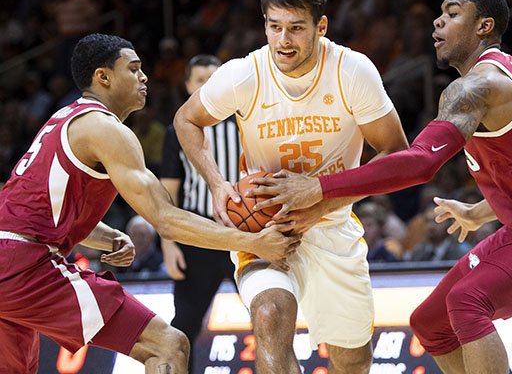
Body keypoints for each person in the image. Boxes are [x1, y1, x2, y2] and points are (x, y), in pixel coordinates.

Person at [247, 0, 512, 373]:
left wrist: (318, 187)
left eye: (452, 14)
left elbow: (418, 163)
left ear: (484, 26)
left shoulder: (477, 87)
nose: (438, 21)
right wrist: (484, 210)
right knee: (430, 323)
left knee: (469, 301)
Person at [0, 33, 299, 374]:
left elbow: (35, 212)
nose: (144, 77)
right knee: (168, 344)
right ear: (103, 77)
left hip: (11, 254)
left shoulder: (63, 119)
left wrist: (108, 237)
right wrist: (253, 242)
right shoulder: (104, 128)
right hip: (24, 266)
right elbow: (166, 219)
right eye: (134, 68)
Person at [174, 0, 408, 372]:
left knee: (352, 359)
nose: (283, 40)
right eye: (274, 26)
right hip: (264, 227)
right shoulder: (245, 74)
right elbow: (187, 120)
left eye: (296, 28)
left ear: (321, 26)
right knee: (269, 314)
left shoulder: (351, 70)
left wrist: (320, 202)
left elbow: (396, 153)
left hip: (332, 223)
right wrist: (217, 183)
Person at [160, 54, 241, 371]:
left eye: (214, 79)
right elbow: (168, 192)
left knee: (269, 317)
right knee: (184, 327)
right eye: (200, 80)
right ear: (188, 86)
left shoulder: (249, 125)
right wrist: (167, 244)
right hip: (197, 235)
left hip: (245, 234)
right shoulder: (175, 131)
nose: (208, 86)